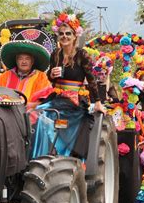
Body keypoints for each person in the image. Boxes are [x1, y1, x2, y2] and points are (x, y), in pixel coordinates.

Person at [31, 10, 105, 159]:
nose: (64, 36)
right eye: (61, 33)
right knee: (36, 113)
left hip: (74, 99)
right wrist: (51, 75)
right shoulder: (55, 54)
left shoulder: (81, 55)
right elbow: (50, 78)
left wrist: (97, 102)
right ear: (58, 36)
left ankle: (60, 153)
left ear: (74, 36)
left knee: (45, 113)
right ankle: (41, 155)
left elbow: (91, 80)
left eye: (68, 33)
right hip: (57, 96)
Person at [0, 40, 53, 107]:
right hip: (7, 112)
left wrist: (25, 105)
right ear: (16, 61)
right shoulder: (4, 76)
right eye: (20, 59)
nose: (24, 62)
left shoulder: (42, 77)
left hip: (31, 114)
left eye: (27, 59)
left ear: (32, 62)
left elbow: (45, 102)